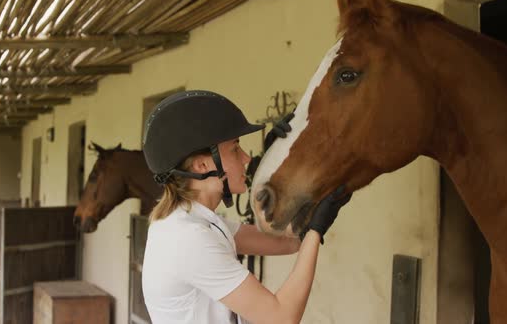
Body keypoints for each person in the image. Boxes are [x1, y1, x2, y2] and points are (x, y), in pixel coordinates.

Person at [142, 90, 351, 324]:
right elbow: (281, 318)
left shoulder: (194, 221)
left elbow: (289, 241)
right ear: (202, 165)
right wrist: (316, 229)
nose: (246, 159)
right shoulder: (188, 238)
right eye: (234, 149)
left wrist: (276, 158)